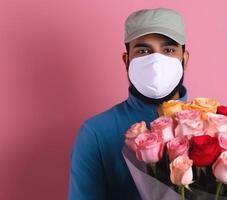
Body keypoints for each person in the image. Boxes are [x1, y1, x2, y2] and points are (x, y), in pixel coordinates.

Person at [68, 8, 189, 200]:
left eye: (168, 50)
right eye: (143, 51)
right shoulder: (95, 133)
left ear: (184, 59)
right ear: (127, 61)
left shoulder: (217, 129)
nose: (156, 62)